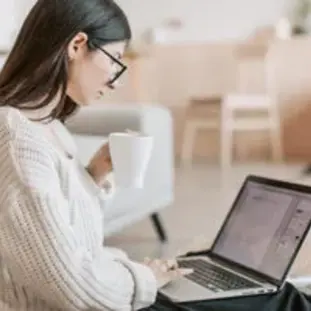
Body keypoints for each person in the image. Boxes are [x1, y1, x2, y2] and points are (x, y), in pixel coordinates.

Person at [0, 1, 191, 310]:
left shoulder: (48, 128)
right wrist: (144, 278)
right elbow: (73, 287)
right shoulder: (18, 139)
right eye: (114, 58)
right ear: (77, 45)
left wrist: (93, 175)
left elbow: (72, 240)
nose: (115, 79)